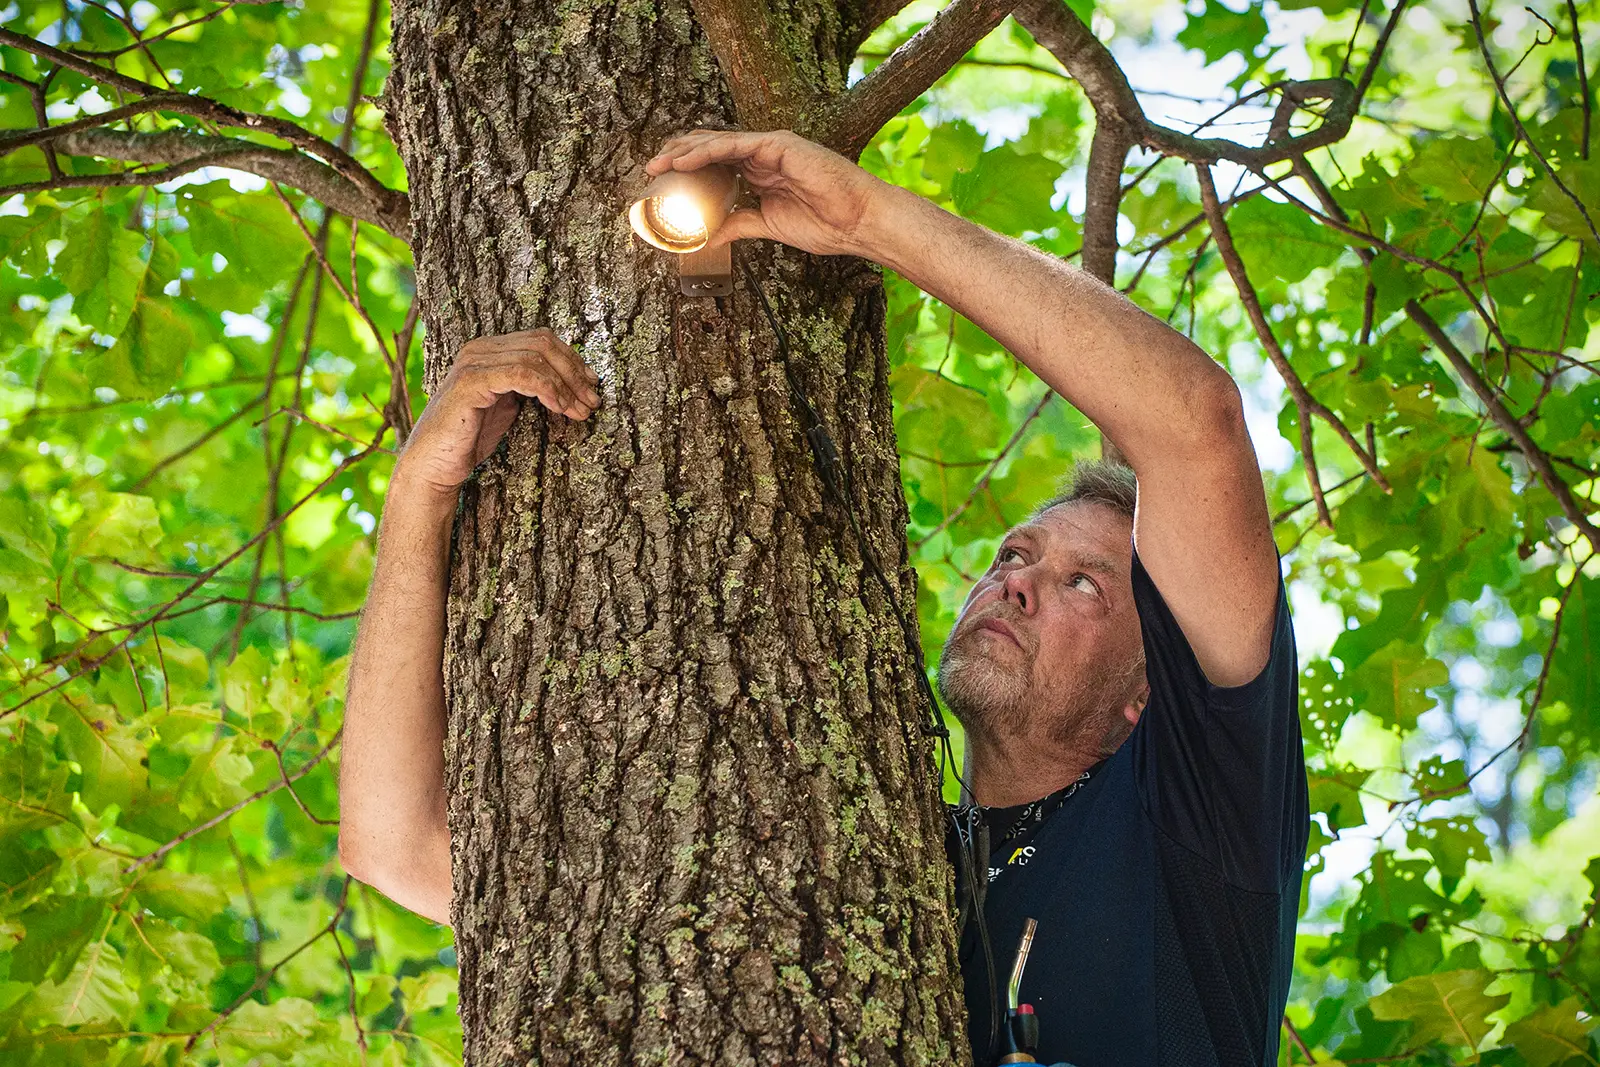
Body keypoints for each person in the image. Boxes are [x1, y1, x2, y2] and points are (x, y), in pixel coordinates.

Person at [338, 129, 1307, 1067]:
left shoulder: (1203, 813)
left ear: (1148, 689)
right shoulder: (881, 848)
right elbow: (397, 845)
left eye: (1082, 582)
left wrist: (863, 220)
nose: (1017, 579)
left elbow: (1193, 424)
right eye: (1016, 552)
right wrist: (420, 492)